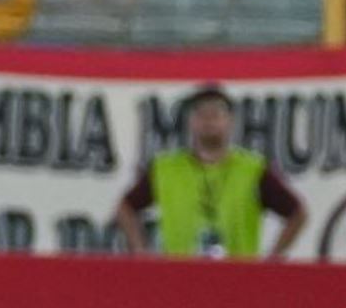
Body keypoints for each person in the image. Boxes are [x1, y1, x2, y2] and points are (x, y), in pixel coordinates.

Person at [115, 83, 308, 260]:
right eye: (201, 115)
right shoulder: (166, 169)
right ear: (191, 122)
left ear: (230, 121)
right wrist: (140, 251)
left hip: (239, 281)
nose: (209, 121)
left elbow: (297, 213)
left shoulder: (253, 170)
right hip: (178, 279)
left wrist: (273, 258)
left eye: (216, 114)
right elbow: (126, 207)